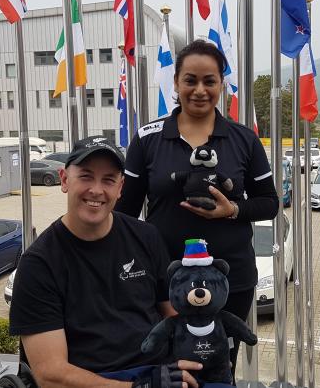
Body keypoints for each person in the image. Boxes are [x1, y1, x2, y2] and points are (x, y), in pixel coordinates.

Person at [116, 40, 280, 372]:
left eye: (210, 81)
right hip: (163, 282)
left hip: (228, 282)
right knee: (167, 367)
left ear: (222, 84)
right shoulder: (147, 138)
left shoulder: (243, 139)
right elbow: (125, 214)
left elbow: (270, 204)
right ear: (176, 83)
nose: (200, 90)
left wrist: (231, 210)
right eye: (190, 80)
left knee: (219, 367)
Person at [9, 136, 201, 388]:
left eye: (108, 180)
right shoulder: (39, 264)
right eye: (86, 176)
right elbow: (50, 375)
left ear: (120, 188)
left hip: (157, 374)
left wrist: (200, 351)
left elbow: (172, 312)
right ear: (65, 180)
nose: (97, 190)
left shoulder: (146, 236)